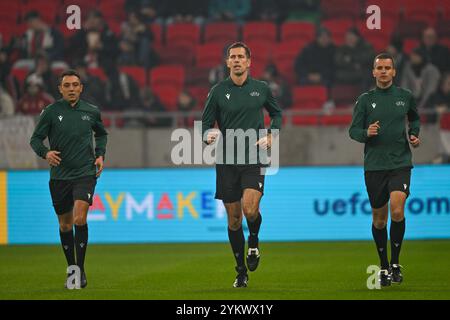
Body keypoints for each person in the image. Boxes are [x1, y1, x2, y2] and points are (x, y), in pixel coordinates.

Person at [202, 42, 282, 287]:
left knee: (249, 209)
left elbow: (277, 114)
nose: (236, 60)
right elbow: (205, 125)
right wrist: (207, 135)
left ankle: (254, 244)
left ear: (249, 62)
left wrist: (271, 134)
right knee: (234, 220)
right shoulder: (217, 91)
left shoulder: (261, 89)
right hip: (226, 161)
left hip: (254, 157)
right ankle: (240, 271)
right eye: (232, 57)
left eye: (241, 57)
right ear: (227, 62)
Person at [30, 70, 108, 289]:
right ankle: (71, 267)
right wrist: (45, 153)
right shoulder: (51, 112)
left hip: (85, 173)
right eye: (67, 85)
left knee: (79, 219)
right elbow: (35, 139)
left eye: (75, 85)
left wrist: (100, 154)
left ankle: (79, 271)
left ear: (81, 88)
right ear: (60, 89)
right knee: (65, 225)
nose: (72, 89)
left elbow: (101, 134)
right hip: (60, 177)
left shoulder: (91, 111)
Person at [349, 53, 420, 287]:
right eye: (379, 67)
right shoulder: (365, 100)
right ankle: (383, 266)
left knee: (397, 210)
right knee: (379, 220)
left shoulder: (405, 97)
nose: (383, 71)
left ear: (394, 72)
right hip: (375, 166)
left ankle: (396, 262)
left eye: (387, 68)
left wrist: (414, 134)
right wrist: (365, 133)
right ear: (373, 72)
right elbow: (353, 131)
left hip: (400, 163)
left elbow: (415, 119)